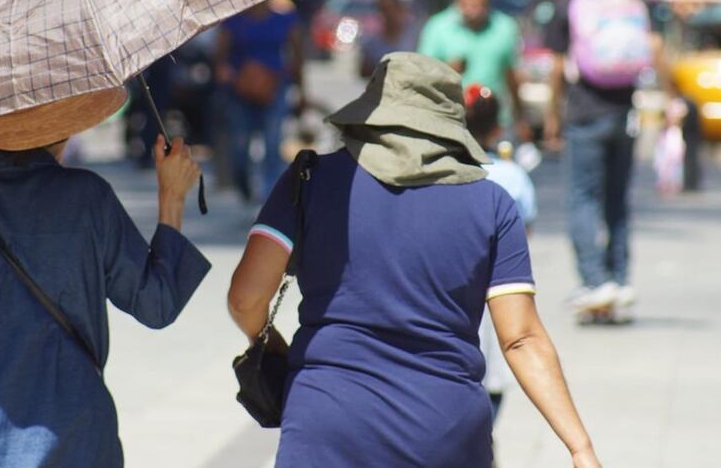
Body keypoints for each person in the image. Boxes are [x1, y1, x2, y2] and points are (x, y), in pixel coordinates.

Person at [228, 53, 601, 468]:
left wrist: (274, 346)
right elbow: (521, 339)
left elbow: (245, 299)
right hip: (443, 429)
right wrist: (578, 445)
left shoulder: (310, 179)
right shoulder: (492, 203)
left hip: (327, 418)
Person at [0, 88, 211, 467]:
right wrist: (172, 197)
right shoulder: (87, 198)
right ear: (60, 125)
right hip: (73, 438)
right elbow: (157, 303)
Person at [543, 0, 665, 318]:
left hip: (584, 113)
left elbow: (558, 66)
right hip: (624, 112)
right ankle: (621, 278)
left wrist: (551, 116)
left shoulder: (569, 4)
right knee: (617, 200)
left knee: (582, 198)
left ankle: (595, 281)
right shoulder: (628, 1)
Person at [464, 83, 537, 432]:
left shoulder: (443, 176)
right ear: (498, 128)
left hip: (457, 288)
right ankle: (483, 440)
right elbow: (528, 231)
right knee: (495, 371)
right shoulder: (513, 175)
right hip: (501, 288)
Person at [418, 0, 531, 141]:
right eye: (466, 6)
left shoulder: (505, 28)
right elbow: (421, 76)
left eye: (477, 6)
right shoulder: (438, 28)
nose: (471, 11)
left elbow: (511, 75)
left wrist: (521, 118)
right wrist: (447, 70)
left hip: (495, 126)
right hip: (451, 123)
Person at [215, 0, 305, 201]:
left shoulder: (285, 19)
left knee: (273, 142)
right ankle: (243, 186)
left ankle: (269, 195)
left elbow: (297, 56)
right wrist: (225, 73)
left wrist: (301, 91)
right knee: (240, 145)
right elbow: (220, 56)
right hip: (239, 91)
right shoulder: (233, 22)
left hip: (275, 87)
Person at [358, 0, 415, 78]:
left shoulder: (414, 37)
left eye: (391, 9)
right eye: (384, 10)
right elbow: (363, 72)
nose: (388, 15)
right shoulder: (373, 43)